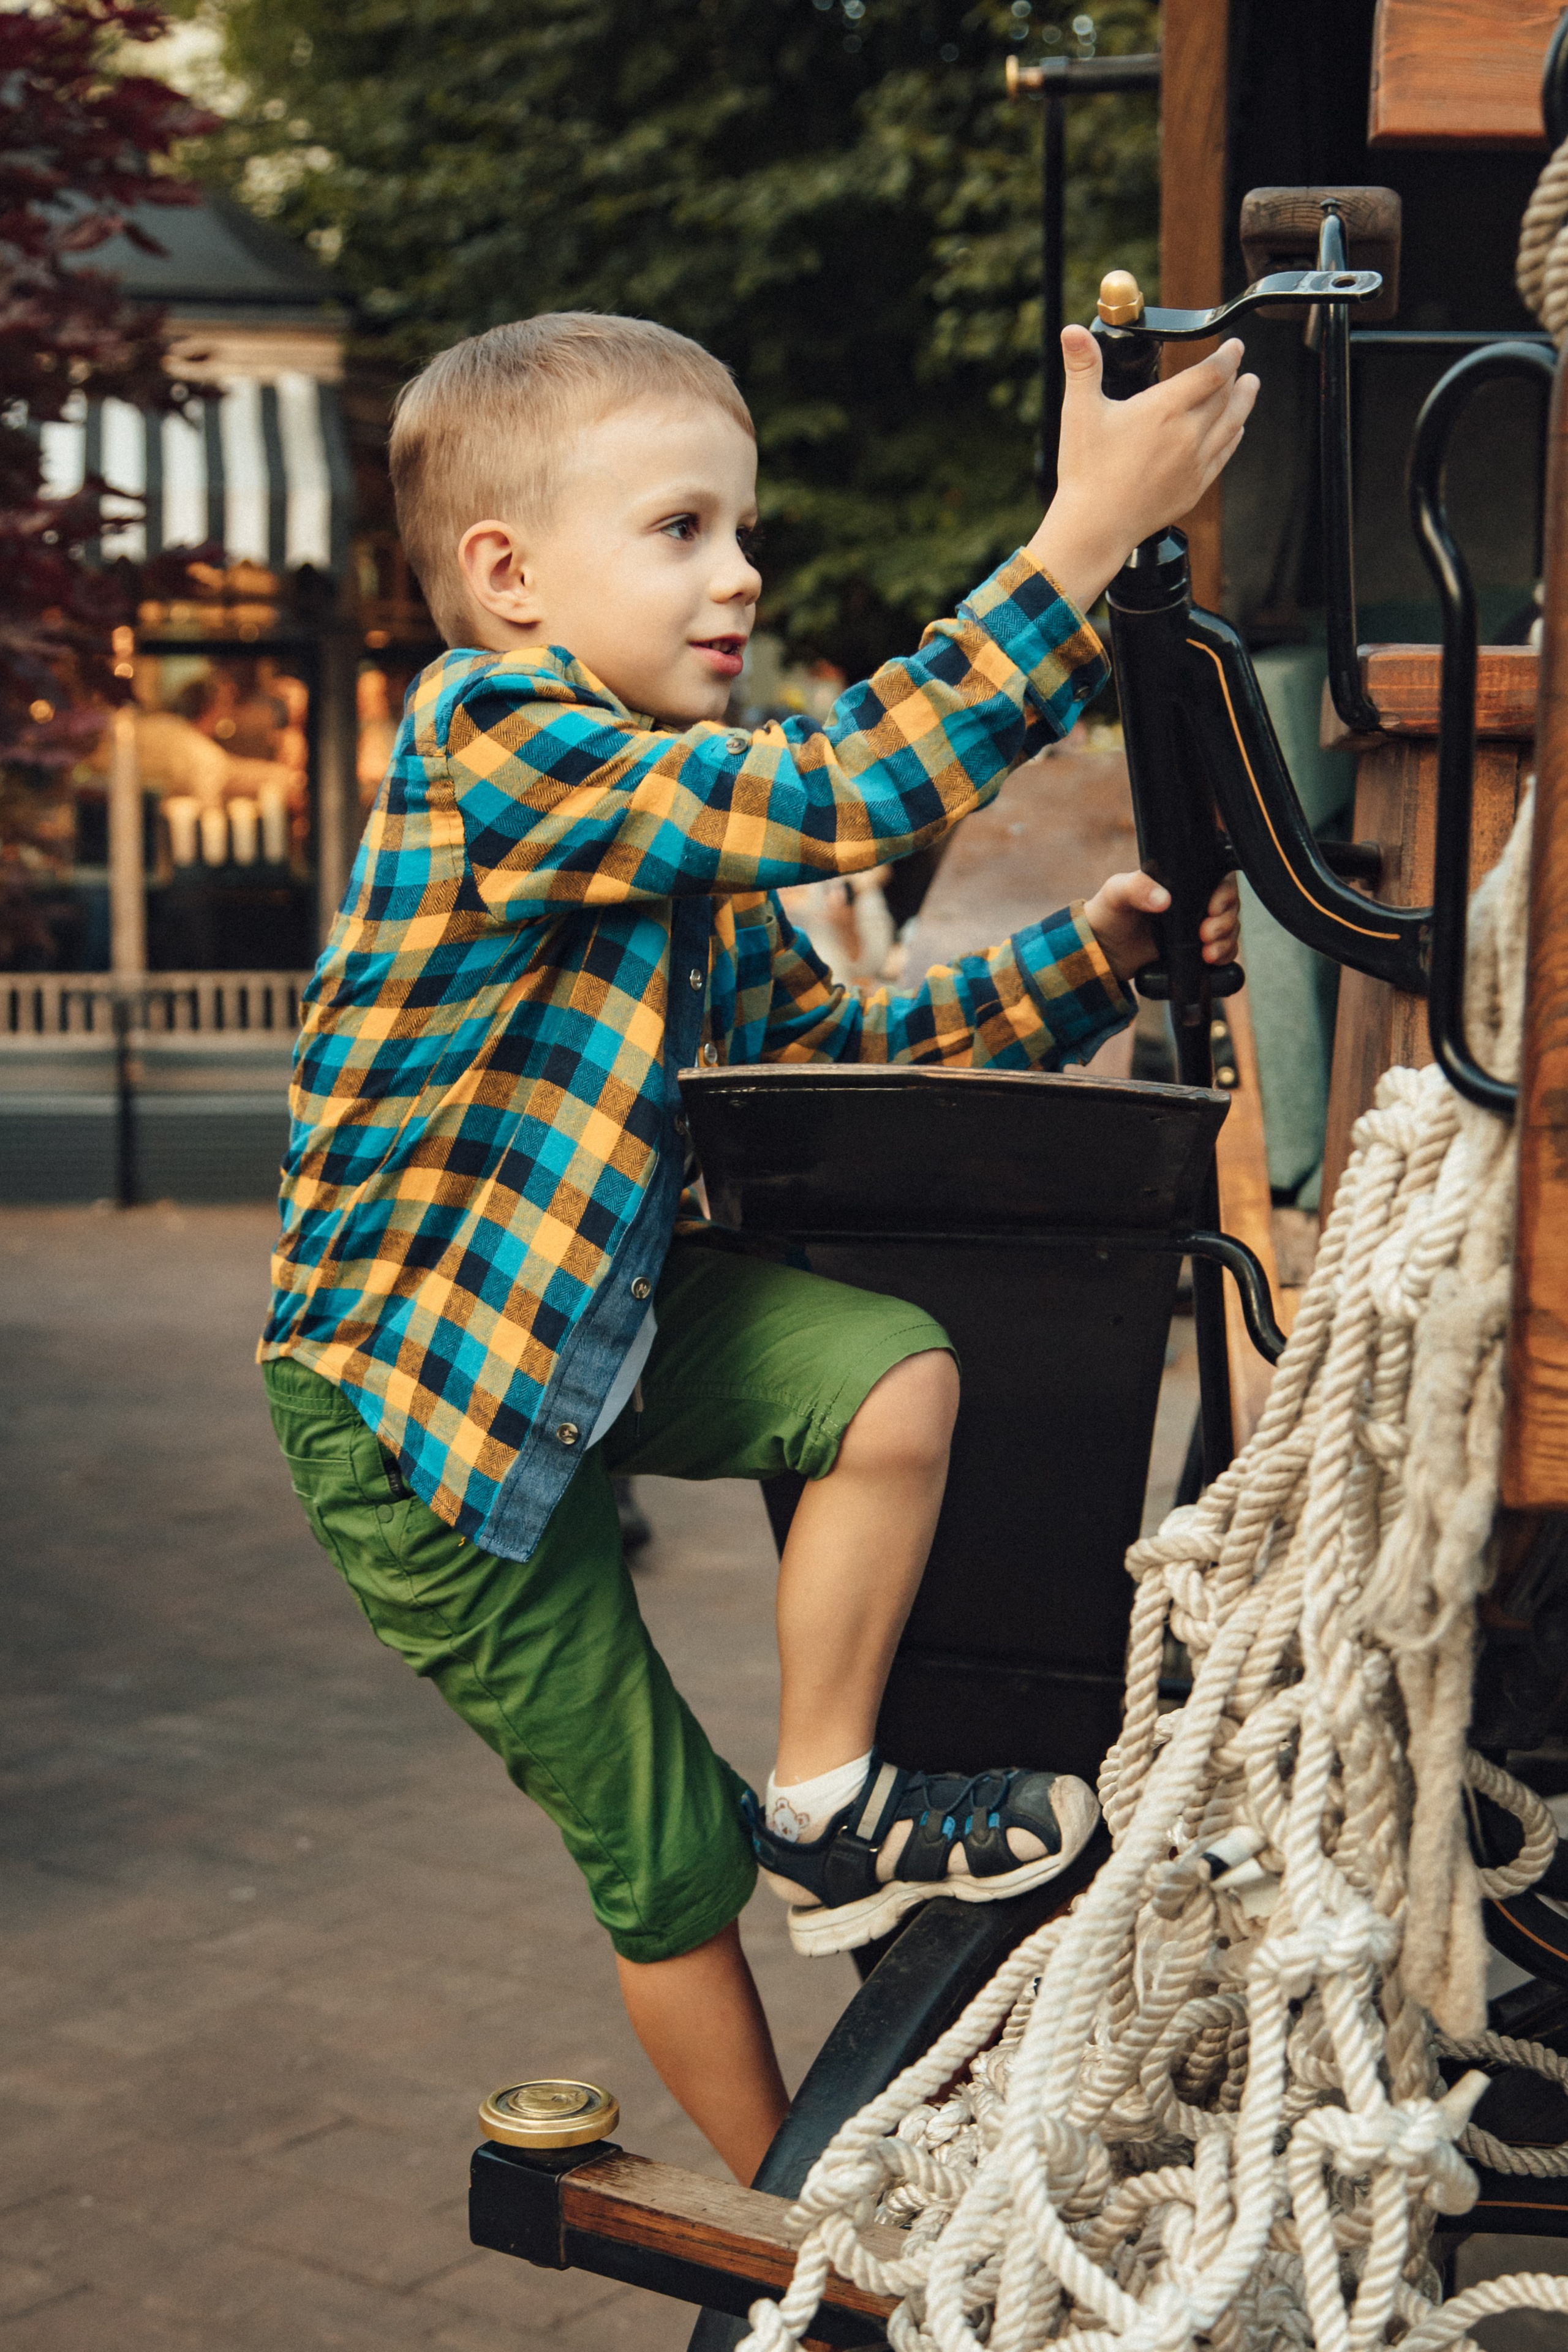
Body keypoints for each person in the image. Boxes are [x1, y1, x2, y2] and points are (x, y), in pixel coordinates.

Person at [258, 311, 1252, 2185]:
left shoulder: (661, 824)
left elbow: (830, 1058)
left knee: (885, 1368)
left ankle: (828, 1797)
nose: (743, 575)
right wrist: (1078, 547)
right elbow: (835, 794)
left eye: (743, 527)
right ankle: (806, 2222)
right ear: (510, 579)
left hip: (590, 1337)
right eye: (683, 530)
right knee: (661, 1862)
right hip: (416, 1424)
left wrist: (1091, 962)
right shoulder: (502, 747)